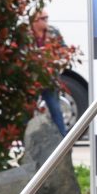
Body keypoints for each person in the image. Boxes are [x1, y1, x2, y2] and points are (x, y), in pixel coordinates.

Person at [31, 9, 68, 137]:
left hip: (50, 79)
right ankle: (24, 143)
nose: (46, 21)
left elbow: (64, 49)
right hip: (31, 80)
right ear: (35, 21)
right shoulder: (26, 34)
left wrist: (56, 59)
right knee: (27, 111)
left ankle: (63, 141)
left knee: (56, 110)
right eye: (43, 18)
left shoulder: (53, 31)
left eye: (47, 18)